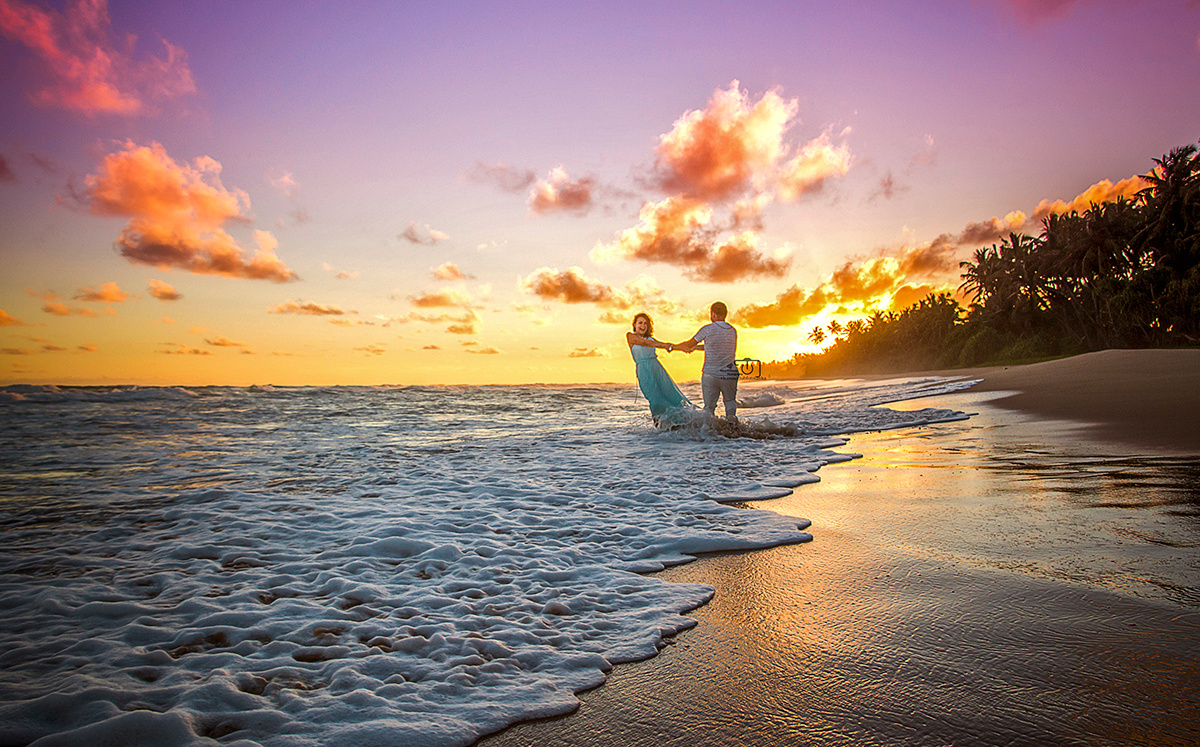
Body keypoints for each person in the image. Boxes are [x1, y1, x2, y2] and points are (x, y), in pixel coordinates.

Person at [673, 301, 739, 422]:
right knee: (730, 402)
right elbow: (717, 345)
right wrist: (696, 348)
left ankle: (708, 434)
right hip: (729, 374)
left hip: (710, 374)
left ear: (713, 314)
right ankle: (733, 428)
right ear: (725, 314)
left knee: (709, 408)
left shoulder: (707, 329)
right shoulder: (732, 330)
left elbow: (688, 344)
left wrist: (672, 347)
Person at [626, 312, 694, 425]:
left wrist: (682, 347)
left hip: (657, 368)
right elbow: (644, 343)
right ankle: (659, 427)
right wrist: (667, 345)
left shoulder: (651, 339)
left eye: (645, 324)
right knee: (655, 399)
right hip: (644, 371)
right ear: (635, 325)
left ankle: (680, 424)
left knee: (671, 395)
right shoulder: (630, 336)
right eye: (640, 323)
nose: (643, 326)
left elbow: (666, 346)